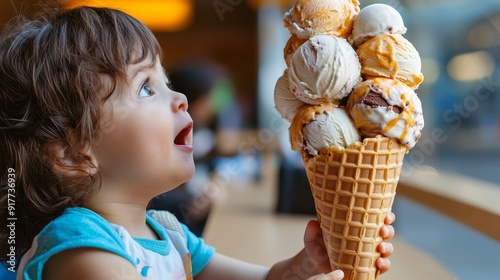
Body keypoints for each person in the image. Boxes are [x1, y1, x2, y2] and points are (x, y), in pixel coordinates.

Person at [0, 6, 395, 280]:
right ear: (72, 154)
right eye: (145, 88)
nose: (179, 98)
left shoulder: (169, 234)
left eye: (165, 80)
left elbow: (268, 279)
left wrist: (307, 264)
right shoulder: (82, 252)